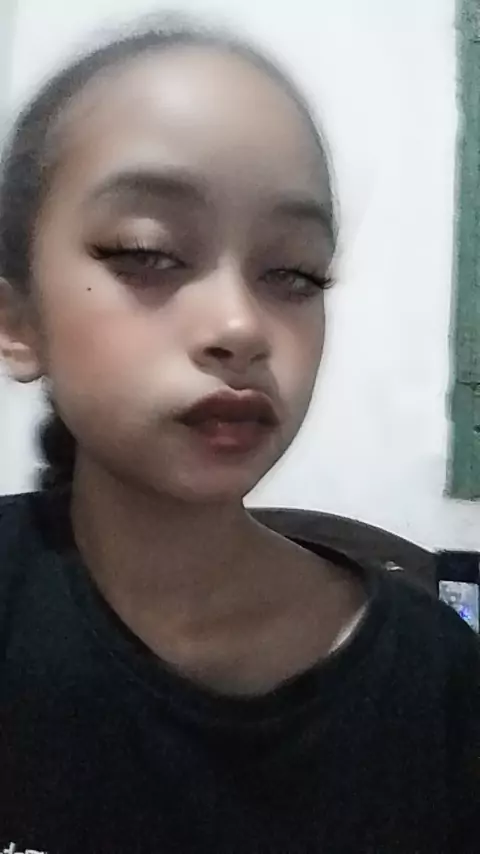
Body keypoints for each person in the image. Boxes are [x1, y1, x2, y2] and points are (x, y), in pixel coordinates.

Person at [0, 16, 478, 854]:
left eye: (293, 272)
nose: (240, 326)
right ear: (17, 322)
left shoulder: (438, 684)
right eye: (147, 252)